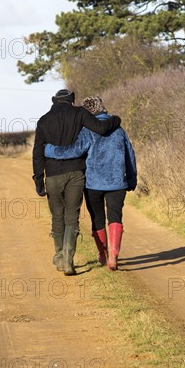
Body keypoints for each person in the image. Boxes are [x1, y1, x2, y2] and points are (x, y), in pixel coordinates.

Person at [33, 89, 121, 276]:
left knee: (57, 216)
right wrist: (116, 119)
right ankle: (68, 261)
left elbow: (37, 153)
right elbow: (102, 129)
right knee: (72, 217)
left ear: (54, 101)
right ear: (71, 100)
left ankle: (59, 256)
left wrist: (38, 179)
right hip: (75, 174)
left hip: (53, 175)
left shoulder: (43, 120)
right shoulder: (80, 113)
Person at [44, 96, 137, 271]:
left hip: (93, 183)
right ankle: (114, 256)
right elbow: (130, 156)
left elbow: (74, 151)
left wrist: (50, 149)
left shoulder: (87, 131)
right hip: (117, 182)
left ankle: (103, 255)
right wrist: (131, 179)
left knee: (98, 219)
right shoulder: (119, 130)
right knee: (115, 216)